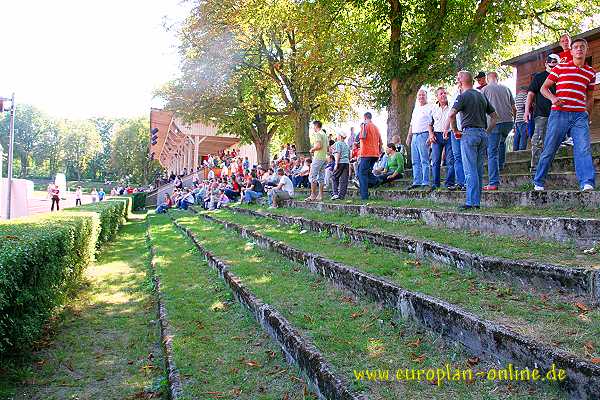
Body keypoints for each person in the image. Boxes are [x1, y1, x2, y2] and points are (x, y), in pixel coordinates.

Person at [533, 38, 596, 192]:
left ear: (586, 50)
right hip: (559, 114)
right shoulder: (561, 67)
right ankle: (539, 182)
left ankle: (587, 182)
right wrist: (554, 98)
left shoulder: (590, 72)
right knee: (549, 148)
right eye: (576, 47)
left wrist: (587, 112)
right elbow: (544, 88)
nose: (579, 49)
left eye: (582, 47)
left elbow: (589, 95)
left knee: (583, 148)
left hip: (579, 116)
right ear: (572, 51)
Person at [447, 70, 498, 209]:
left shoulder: (462, 96)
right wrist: (487, 132)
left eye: (458, 78)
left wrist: (455, 130)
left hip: (469, 134)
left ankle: (471, 202)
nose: (457, 80)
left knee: (470, 170)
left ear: (462, 80)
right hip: (482, 134)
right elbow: (494, 116)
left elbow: (451, 115)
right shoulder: (481, 96)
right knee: (478, 170)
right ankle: (477, 202)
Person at [524, 54, 560, 172]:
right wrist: (526, 111)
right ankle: (535, 167)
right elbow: (530, 94)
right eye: (551, 62)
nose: (553, 64)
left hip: (559, 114)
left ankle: (550, 166)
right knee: (538, 140)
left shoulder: (562, 77)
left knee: (554, 141)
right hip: (542, 114)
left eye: (556, 62)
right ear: (546, 64)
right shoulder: (539, 77)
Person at [481, 71, 516, 190]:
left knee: (492, 152)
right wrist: (514, 122)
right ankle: (500, 167)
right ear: (497, 78)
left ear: (488, 78)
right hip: (508, 121)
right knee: (502, 143)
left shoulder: (485, 89)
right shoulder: (506, 88)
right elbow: (514, 107)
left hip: (495, 122)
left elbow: (481, 108)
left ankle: (493, 182)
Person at [429, 86, 456, 190]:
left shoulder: (452, 106)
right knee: (435, 160)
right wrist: (431, 134)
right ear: (437, 96)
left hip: (449, 135)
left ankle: (449, 183)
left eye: (445, 93)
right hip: (437, 135)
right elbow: (430, 123)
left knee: (450, 160)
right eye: (441, 94)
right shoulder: (433, 108)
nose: (443, 95)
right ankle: (435, 183)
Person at [406, 90, 433, 190]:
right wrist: (409, 136)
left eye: (423, 95)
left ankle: (425, 181)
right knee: (415, 160)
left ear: (426, 96)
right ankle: (416, 181)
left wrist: (430, 135)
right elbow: (411, 124)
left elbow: (431, 122)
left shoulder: (430, 107)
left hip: (424, 134)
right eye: (419, 95)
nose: (421, 97)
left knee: (424, 160)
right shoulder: (416, 109)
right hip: (414, 136)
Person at [355, 112, 383, 200]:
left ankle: (364, 196)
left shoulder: (365, 125)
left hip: (366, 153)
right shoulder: (376, 128)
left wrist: (362, 127)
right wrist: (379, 152)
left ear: (364, 117)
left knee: (361, 174)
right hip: (375, 153)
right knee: (368, 172)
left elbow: (362, 136)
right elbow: (380, 142)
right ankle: (377, 181)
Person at [305, 120, 329, 202]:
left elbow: (319, 146)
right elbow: (327, 147)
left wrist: (312, 149)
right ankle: (320, 195)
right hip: (324, 158)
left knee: (312, 176)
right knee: (321, 177)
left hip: (318, 157)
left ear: (316, 126)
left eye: (313, 126)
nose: (313, 128)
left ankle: (312, 195)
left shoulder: (318, 134)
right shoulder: (324, 134)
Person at [331, 131, 350, 200]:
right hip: (346, 163)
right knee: (344, 180)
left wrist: (336, 164)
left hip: (340, 162)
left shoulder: (338, 143)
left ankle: (335, 194)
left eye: (338, 135)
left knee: (334, 177)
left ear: (340, 136)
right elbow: (349, 156)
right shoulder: (346, 145)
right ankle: (342, 196)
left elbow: (337, 154)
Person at [513, 86, 529, 151]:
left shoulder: (516, 97)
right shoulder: (525, 95)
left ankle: (515, 149)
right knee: (523, 135)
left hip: (517, 119)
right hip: (523, 118)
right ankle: (522, 150)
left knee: (517, 135)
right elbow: (526, 105)